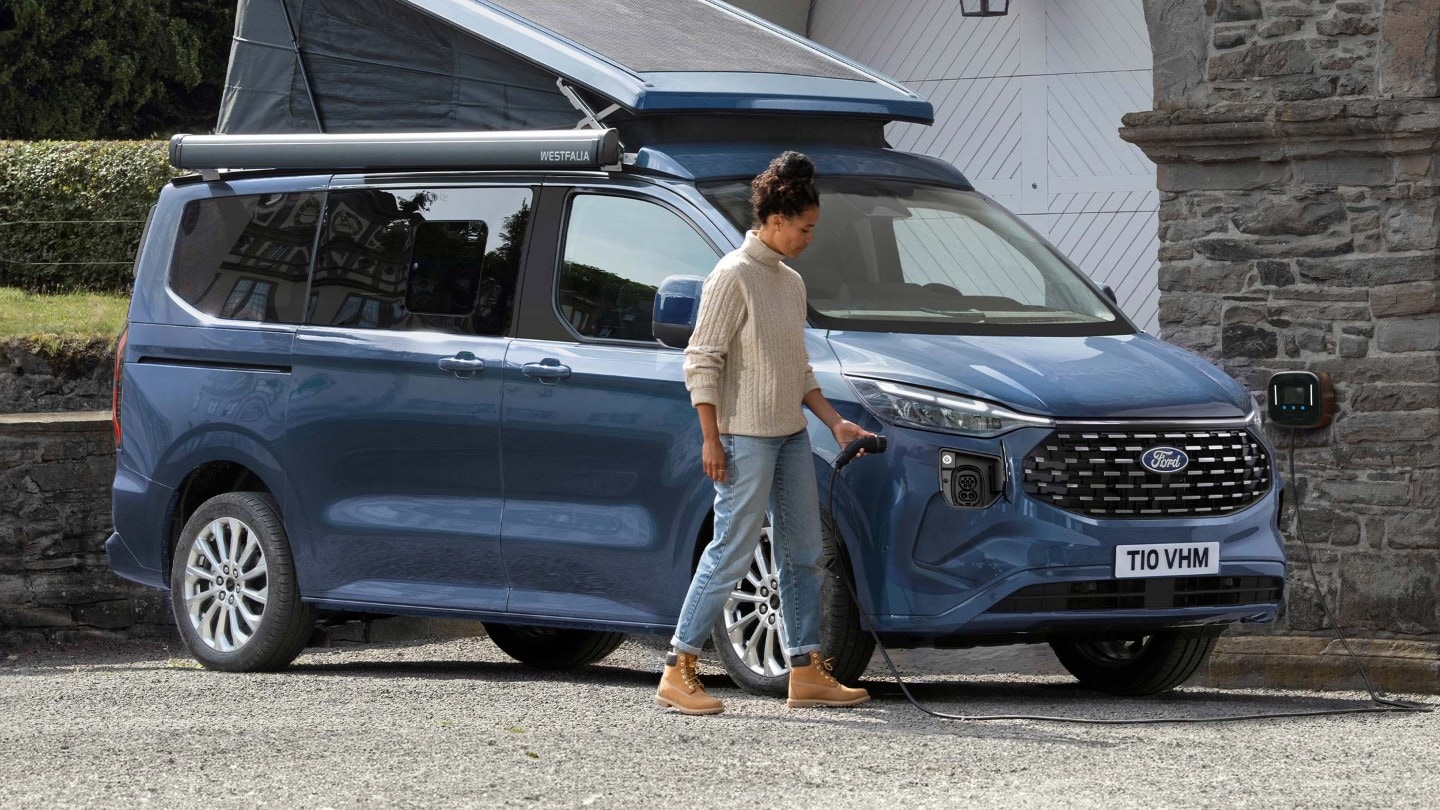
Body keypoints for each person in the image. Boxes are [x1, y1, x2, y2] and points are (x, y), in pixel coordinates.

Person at [655, 151, 874, 716]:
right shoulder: (733, 276)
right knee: (730, 550)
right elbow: (701, 360)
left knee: (804, 552)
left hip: (790, 434)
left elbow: (797, 369)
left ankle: (804, 670)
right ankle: (679, 668)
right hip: (741, 437)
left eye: (812, 229)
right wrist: (710, 438)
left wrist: (834, 421)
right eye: (804, 228)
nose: (808, 238)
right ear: (775, 220)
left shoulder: (790, 282)